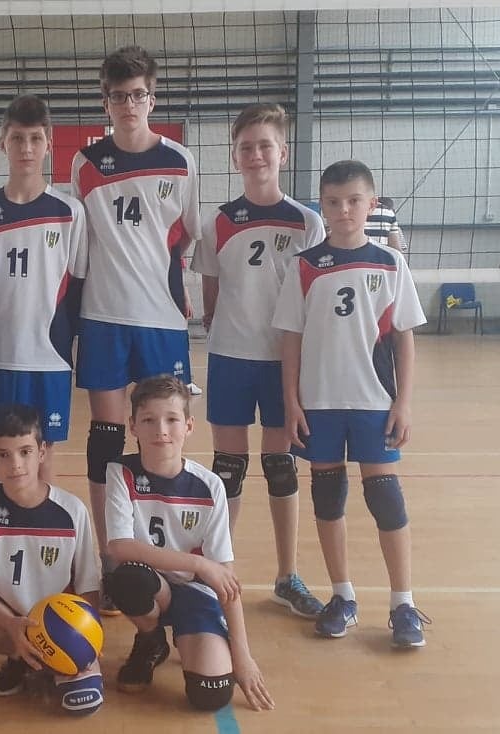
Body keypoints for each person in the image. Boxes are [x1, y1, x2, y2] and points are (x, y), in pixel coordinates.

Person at [272, 159, 430, 648]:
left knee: (385, 497)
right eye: (334, 202)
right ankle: (343, 596)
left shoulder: (390, 263)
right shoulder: (304, 265)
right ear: (322, 205)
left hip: (374, 401)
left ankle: (403, 603)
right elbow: (291, 339)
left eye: (354, 201)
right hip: (319, 402)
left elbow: (404, 339)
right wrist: (291, 402)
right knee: (327, 497)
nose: (344, 210)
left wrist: (404, 402)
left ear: (372, 204)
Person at [69, 45, 202, 614]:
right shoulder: (85, 163)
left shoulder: (180, 161)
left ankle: (160, 551)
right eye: (119, 96)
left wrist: (174, 286)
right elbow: (80, 237)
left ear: (153, 98)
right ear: (106, 101)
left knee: (161, 435)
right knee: (105, 438)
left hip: (160, 320)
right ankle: (111, 555)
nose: (129, 105)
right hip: (103, 316)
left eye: (139, 95)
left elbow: (186, 235)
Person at [189, 103, 325, 620]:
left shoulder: (307, 222)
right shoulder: (218, 222)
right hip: (230, 356)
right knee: (228, 469)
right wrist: (225, 326)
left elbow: (314, 294)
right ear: (235, 157)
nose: (256, 155)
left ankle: (287, 576)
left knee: (280, 467)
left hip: (283, 362)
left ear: (282, 153)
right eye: (246, 147)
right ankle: (217, 576)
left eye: (265, 145)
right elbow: (211, 291)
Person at [102, 376, 273, 712]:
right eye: (148, 420)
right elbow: (120, 547)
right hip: (152, 586)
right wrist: (198, 563)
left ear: (189, 426)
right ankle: (151, 640)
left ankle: (192, 635)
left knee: (211, 695)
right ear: (133, 426)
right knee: (127, 578)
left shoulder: (209, 486)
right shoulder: (121, 473)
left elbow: (225, 578)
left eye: (172, 419)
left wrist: (242, 655)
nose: (161, 430)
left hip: (196, 592)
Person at [0, 404, 104, 716]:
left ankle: (47, 661)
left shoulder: (71, 510)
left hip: (61, 626)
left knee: (83, 702)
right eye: (3, 455)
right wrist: (11, 625)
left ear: (41, 452)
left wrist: (87, 638)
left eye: (25, 452)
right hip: (8, 619)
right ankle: (19, 656)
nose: (15, 464)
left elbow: (88, 586)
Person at [0, 95, 87, 483]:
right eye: (17, 138)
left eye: (35, 138)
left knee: (42, 456)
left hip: (48, 357)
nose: (27, 148)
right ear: (2, 143)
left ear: (49, 144)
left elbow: (77, 285)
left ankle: (42, 521)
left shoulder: (69, 211)